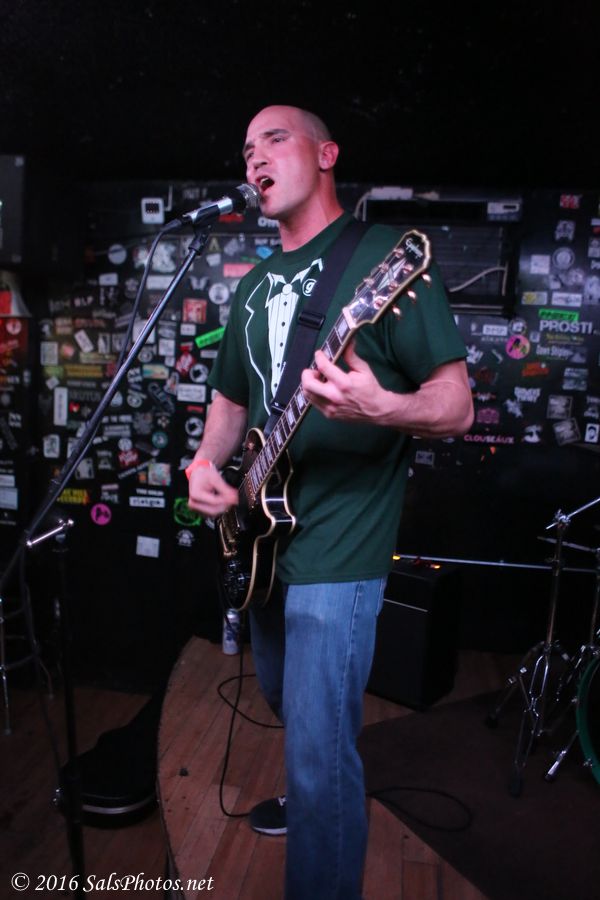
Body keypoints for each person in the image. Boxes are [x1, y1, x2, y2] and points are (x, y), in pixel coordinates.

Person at [187, 105, 474, 900]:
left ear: (325, 154)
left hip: (342, 544)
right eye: (246, 149)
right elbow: (232, 400)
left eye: (274, 140)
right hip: (263, 541)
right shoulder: (252, 286)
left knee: (318, 754)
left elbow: (456, 405)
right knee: (289, 707)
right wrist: (205, 463)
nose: (255, 159)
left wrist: (384, 407)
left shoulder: (386, 260)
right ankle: (322, 801)